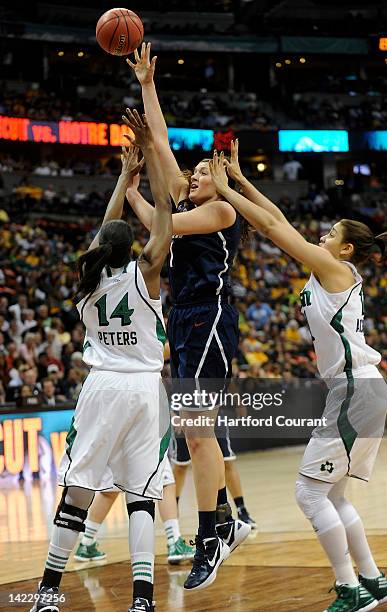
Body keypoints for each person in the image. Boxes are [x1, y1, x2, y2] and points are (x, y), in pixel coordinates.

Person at [208, 141, 387, 612]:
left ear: (346, 248)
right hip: (360, 389)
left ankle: (349, 588)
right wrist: (238, 177)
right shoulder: (330, 267)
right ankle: (373, 581)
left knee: (308, 492)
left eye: (331, 232)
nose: (322, 234)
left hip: (355, 389)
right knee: (331, 493)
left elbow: (273, 226)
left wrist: (224, 191)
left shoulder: (333, 267)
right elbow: (276, 215)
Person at [30, 112, 172, 612]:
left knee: (79, 490)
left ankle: (47, 594)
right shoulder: (146, 275)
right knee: (140, 496)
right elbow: (166, 216)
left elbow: (100, 237)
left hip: (102, 386)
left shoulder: (86, 282)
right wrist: (153, 157)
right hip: (142, 391)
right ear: (130, 247)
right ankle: (143, 599)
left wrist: (120, 180)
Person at [125, 43, 250, 591]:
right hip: (184, 319)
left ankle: (211, 535)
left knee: (197, 434)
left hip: (210, 316)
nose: (193, 175)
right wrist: (147, 84)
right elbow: (160, 144)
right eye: (193, 171)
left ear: (220, 181)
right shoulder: (182, 204)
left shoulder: (222, 210)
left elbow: (165, 227)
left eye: (203, 170)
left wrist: (153, 185)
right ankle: (223, 522)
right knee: (196, 434)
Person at [74, 457, 195, 565]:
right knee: (165, 484)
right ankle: (174, 541)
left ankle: (86, 542)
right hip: (145, 438)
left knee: (111, 488)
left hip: (116, 438)